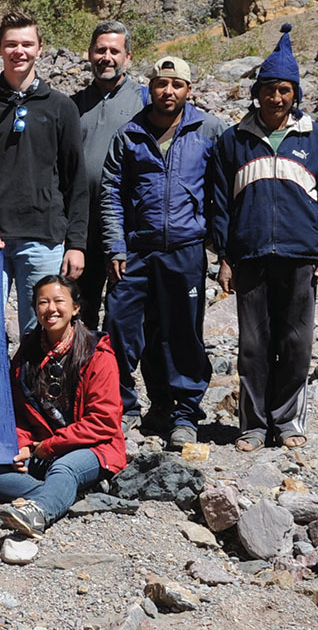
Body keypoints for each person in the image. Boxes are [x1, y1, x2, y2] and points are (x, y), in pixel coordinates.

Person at [209, 23, 318, 452]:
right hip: (249, 256)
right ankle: (252, 424)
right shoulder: (234, 141)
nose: (276, 98)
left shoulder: (314, 137)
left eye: (284, 90)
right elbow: (218, 203)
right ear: (258, 92)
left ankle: (287, 422)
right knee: (253, 344)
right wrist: (225, 256)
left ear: (295, 94)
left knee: (296, 342)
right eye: (269, 90)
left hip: (301, 255)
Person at [100, 56, 224, 449]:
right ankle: (122, 409)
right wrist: (115, 246)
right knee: (120, 329)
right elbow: (111, 195)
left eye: (176, 85)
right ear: (149, 87)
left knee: (181, 333)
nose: (167, 92)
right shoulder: (129, 134)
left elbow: (221, 191)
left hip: (185, 251)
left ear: (189, 90)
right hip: (135, 251)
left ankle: (183, 413)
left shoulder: (208, 130)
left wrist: (218, 247)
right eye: (160, 84)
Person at [0, 11, 89, 333]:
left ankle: (32, 387)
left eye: (27, 44)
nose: (19, 51)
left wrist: (76, 243)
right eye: (11, 44)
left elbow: (76, 181)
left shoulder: (60, 107)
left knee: (42, 333)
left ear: (40, 48)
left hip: (45, 239)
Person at [0, 275, 126, 537]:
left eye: (59, 301)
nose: (51, 309)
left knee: (65, 468)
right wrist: (21, 444)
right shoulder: (28, 352)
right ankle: (59, 493)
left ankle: (38, 512)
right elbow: (16, 410)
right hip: (42, 448)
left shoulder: (97, 354)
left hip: (95, 447)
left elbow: (104, 420)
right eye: (43, 302)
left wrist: (46, 447)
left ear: (75, 308)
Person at [71, 21, 149, 329]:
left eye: (114, 51)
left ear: (128, 57)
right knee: (82, 307)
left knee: (124, 312)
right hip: (83, 228)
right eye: (100, 50)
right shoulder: (72, 106)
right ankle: (84, 371)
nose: (107, 57)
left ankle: (118, 374)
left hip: (127, 228)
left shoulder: (144, 102)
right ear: (89, 54)